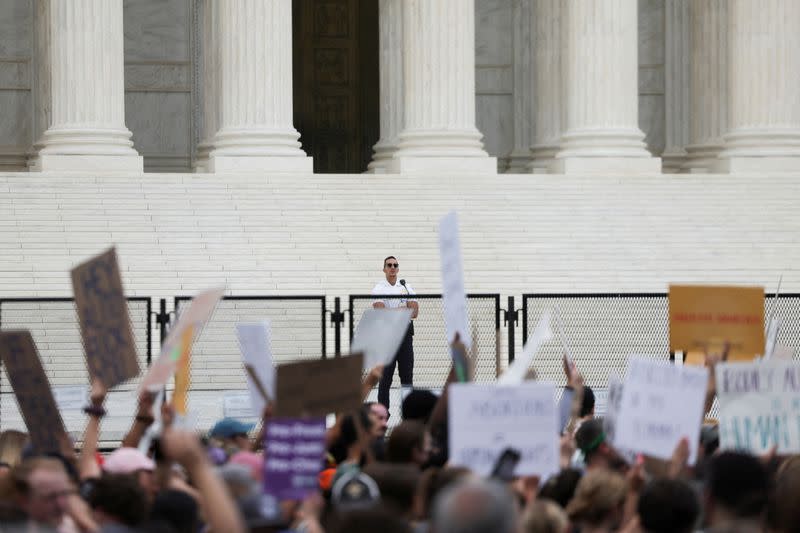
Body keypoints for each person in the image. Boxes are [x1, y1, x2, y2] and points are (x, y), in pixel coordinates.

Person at [372, 255, 419, 409]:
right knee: (385, 379)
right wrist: (403, 309)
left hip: (405, 336)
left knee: (407, 378)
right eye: (389, 265)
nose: (392, 268)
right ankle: (383, 417)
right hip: (387, 337)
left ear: (398, 268)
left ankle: (408, 415)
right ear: (384, 269)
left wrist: (396, 311)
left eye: (395, 265)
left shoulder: (405, 286)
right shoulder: (379, 288)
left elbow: (415, 312)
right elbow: (381, 312)